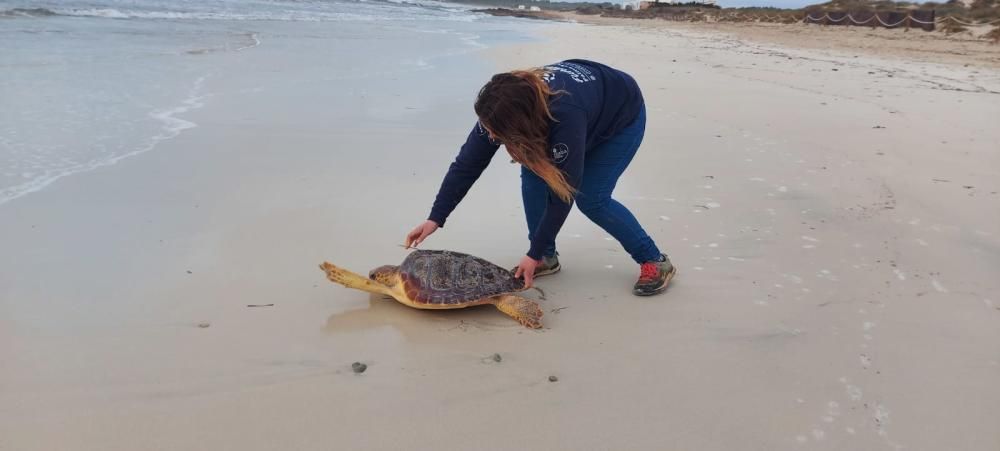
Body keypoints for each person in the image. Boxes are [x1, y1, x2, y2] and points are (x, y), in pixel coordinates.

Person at [404, 59, 675, 296]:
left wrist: (530, 254)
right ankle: (547, 256)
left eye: (496, 132)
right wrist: (436, 217)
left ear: (519, 124)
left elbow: (563, 192)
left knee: (592, 198)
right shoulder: (497, 109)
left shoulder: (565, 116)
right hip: (586, 105)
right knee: (533, 172)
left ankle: (654, 259)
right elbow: (467, 165)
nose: (491, 136)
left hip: (620, 115)